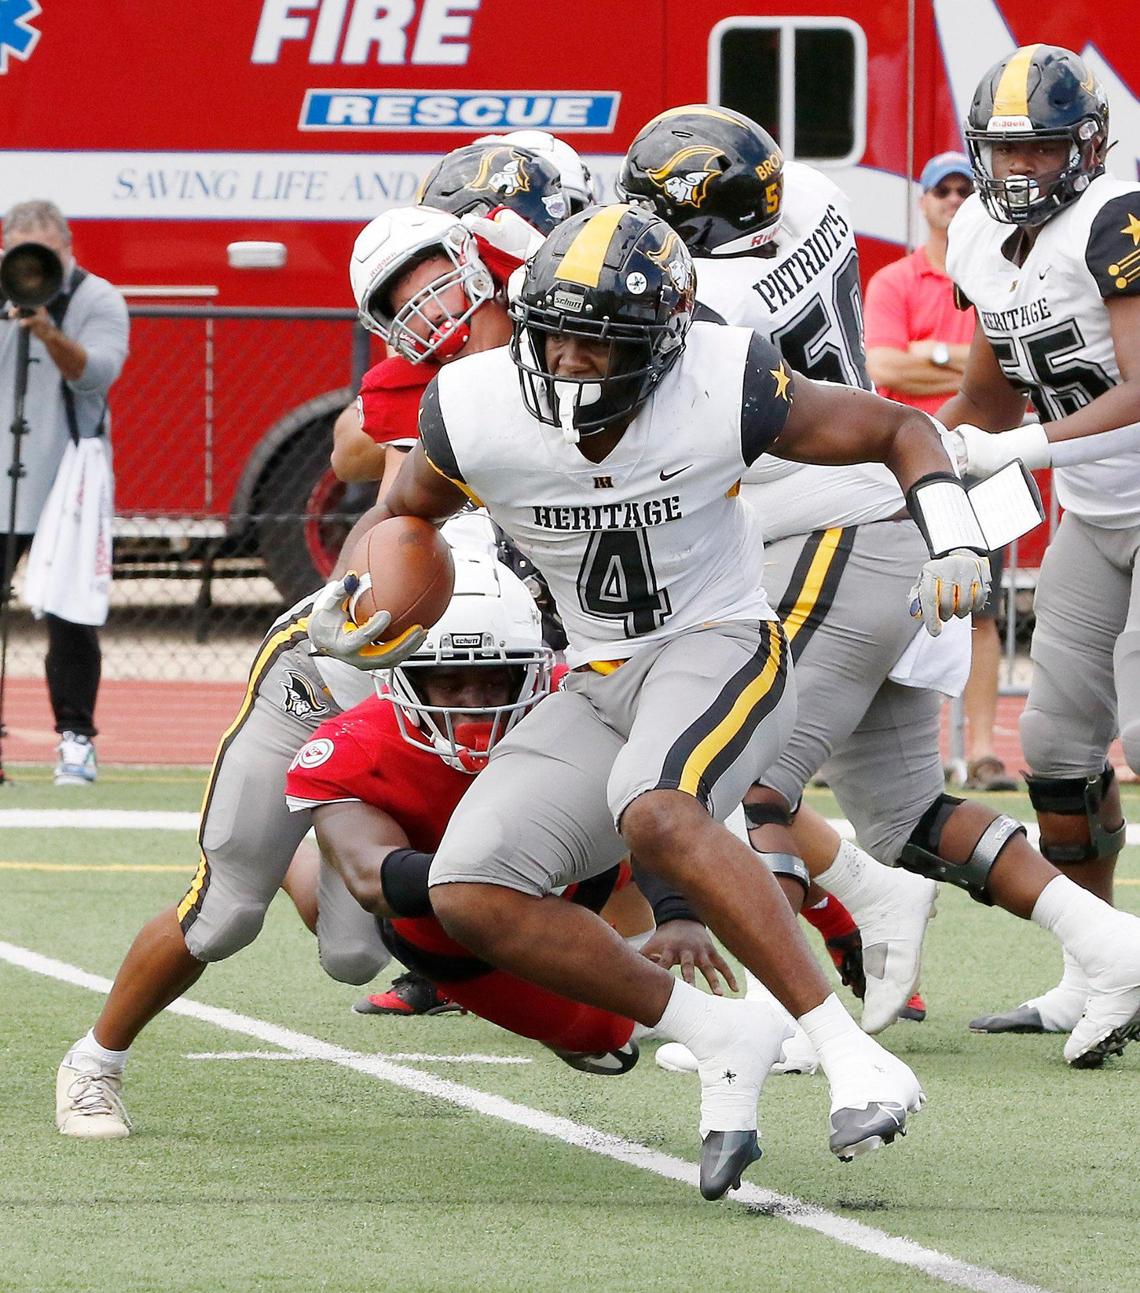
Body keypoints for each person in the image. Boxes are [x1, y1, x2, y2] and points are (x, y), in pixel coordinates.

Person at [309, 202, 1006, 1198]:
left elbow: (897, 426)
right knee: (471, 888)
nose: (571, 363)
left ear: (665, 343)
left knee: (658, 806)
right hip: (593, 672)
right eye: (553, 336)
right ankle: (720, 1032)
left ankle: (849, 1051)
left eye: (599, 344)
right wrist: (370, 584)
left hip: (715, 639)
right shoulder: (473, 403)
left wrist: (955, 534)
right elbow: (406, 509)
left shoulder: (722, 382)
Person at [53, 205, 522, 1139]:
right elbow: (373, 480)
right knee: (226, 911)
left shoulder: (554, 363)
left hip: (441, 690)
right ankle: (93, 1060)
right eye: (403, 300)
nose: (427, 308)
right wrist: (359, 590)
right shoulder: (412, 390)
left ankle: (310, 835)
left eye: (433, 279)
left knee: (354, 956)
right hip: (330, 679)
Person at [618, 105, 939, 1047]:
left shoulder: (719, 300)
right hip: (849, 513)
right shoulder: (818, 197)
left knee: (742, 779)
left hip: (831, 518)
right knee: (908, 805)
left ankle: (786, 1018)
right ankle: (1088, 943)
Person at [937, 44, 1140, 1039]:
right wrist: (942, 493)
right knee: (1057, 750)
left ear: (1088, 146)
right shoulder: (977, 235)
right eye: (1005, 153)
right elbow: (981, 399)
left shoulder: (1116, 218)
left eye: (1043, 150)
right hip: (1096, 512)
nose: (1021, 172)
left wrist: (1018, 446)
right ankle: (1100, 968)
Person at [284, 548, 643, 1071]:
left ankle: (631, 948)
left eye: (494, 679)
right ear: (404, 679)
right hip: (424, 911)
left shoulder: (581, 697)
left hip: (561, 878)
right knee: (350, 956)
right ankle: (294, 858)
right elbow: (373, 878)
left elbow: (667, 812)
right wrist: (492, 877)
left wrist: (681, 916)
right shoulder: (360, 741)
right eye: (449, 682)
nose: (473, 702)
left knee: (640, 805)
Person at [864, 152, 1016, 793]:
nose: (954, 199)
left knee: (983, 608)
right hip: (906, 465)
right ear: (923, 202)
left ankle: (982, 752)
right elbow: (887, 369)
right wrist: (961, 363)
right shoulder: (894, 281)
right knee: (889, 605)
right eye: (942, 189)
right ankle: (910, 757)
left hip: (989, 460)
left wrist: (931, 357)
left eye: (965, 188)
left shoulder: (1000, 277)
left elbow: (1012, 370)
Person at [0, 200, 129, 784]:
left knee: (70, 614)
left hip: (67, 479)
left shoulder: (96, 298)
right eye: (19, 256)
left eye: (44, 257)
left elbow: (95, 376)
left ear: (68, 249)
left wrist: (48, 329)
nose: (31, 269)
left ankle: (75, 739)